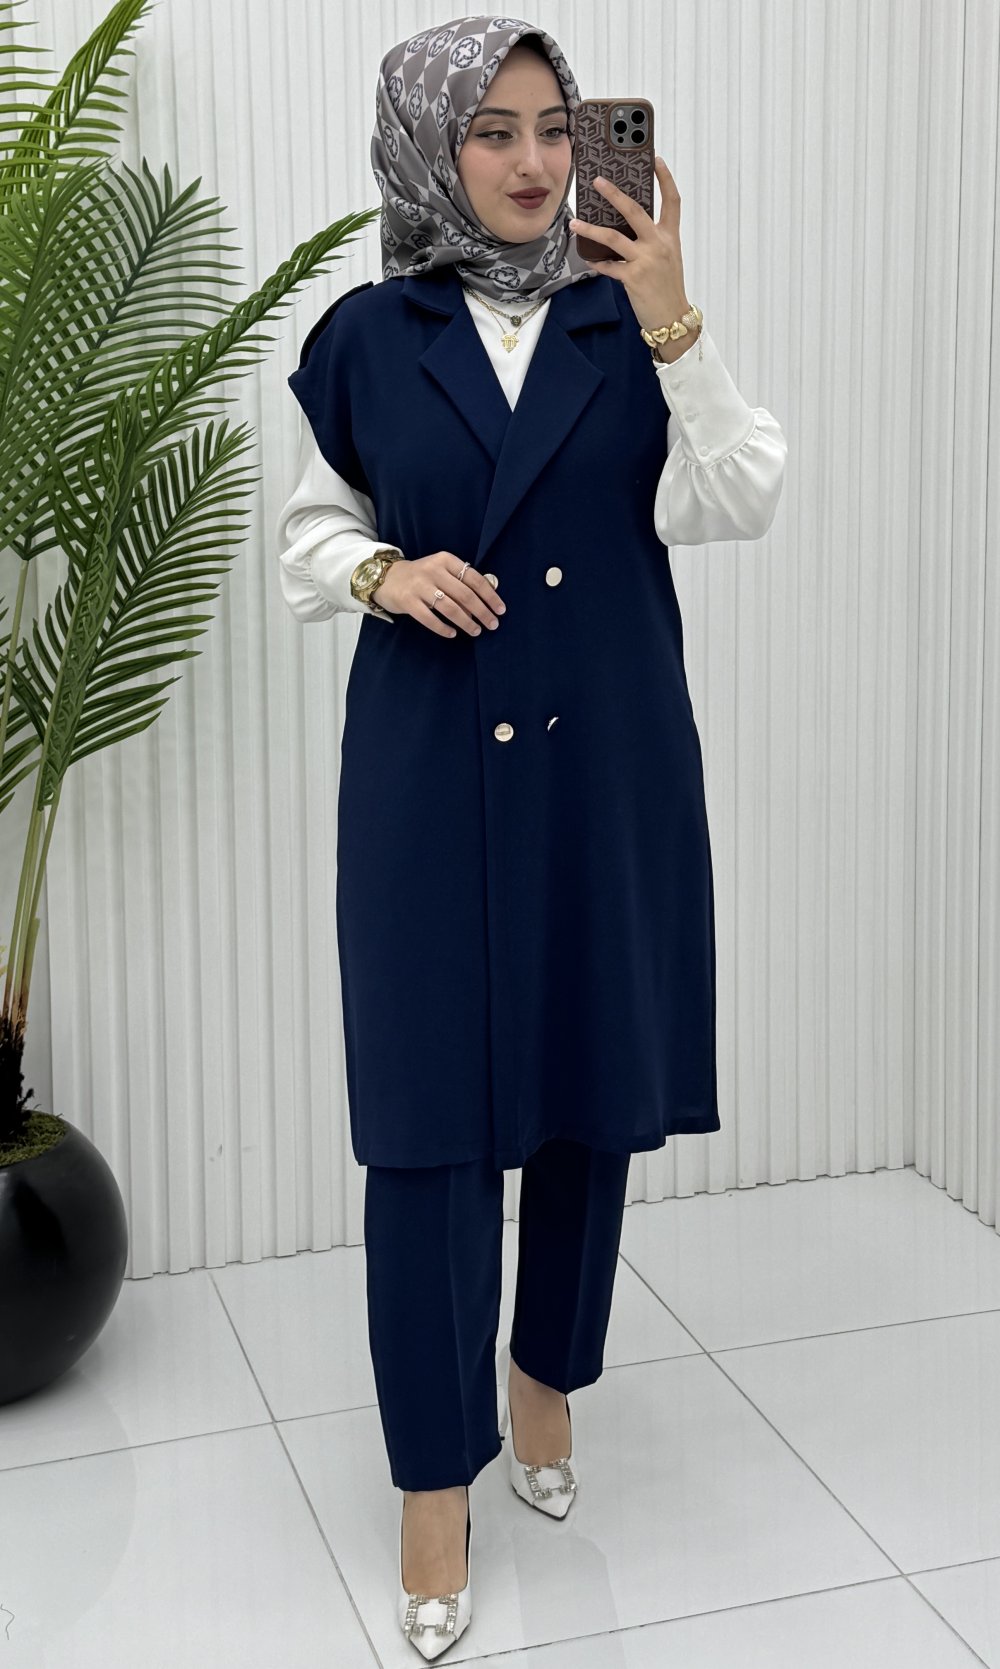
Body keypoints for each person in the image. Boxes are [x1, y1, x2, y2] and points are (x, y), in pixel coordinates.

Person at [276, 15, 787, 1659]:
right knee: (427, 1122)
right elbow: (308, 529)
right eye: (491, 130)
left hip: (602, 764)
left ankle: (545, 1377)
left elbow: (738, 496)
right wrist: (383, 572)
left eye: (554, 127)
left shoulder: (630, 321)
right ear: (430, 146)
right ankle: (436, 1482)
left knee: (585, 1083)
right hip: (428, 765)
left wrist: (674, 315)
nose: (530, 161)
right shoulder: (369, 334)